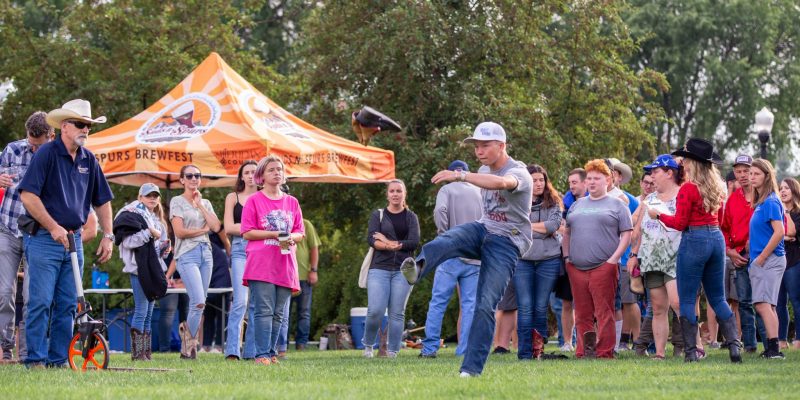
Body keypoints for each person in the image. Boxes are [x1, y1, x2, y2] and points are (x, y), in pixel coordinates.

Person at [400, 122, 533, 377]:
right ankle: (418, 269)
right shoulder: (482, 168)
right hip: (483, 229)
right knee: (449, 238)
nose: (478, 151)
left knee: (484, 305)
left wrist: (460, 175)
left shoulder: (520, 172)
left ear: (502, 146)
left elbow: (502, 183)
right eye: (476, 146)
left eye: (484, 145)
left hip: (507, 242)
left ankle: (470, 370)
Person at [19, 99, 115, 368]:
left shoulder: (88, 159)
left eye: (89, 126)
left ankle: (58, 361)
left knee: (68, 306)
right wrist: (52, 226)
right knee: (40, 302)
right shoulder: (46, 154)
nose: (86, 130)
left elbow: (103, 201)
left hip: (74, 242)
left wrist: (108, 235)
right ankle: (35, 361)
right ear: (64, 126)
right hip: (43, 240)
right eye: (81, 124)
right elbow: (28, 196)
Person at [646, 138, 742, 363]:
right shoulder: (718, 187)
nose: (682, 162)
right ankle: (734, 347)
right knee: (718, 297)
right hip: (716, 238)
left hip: (694, 239)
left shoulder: (688, 188)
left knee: (687, 299)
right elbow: (718, 219)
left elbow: (679, 223)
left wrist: (658, 215)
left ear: (693, 162)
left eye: (685, 158)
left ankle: (691, 352)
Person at [563, 159, 632, 359]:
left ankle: (604, 351)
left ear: (608, 180)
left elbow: (627, 234)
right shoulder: (577, 205)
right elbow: (567, 233)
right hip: (576, 267)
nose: (592, 182)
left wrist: (613, 260)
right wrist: (567, 258)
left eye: (597, 178)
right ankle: (584, 350)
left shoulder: (618, 205)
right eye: (589, 178)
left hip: (604, 266)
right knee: (582, 313)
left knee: (604, 311)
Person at [0, 111, 54, 361]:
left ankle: (29, 352)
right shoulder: (12, 150)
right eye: (30, 141)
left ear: (50, 135)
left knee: (34, 296)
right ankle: (5, 347)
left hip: (38, 234)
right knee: (3, 293)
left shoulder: (56, 156)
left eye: (37, 143)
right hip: (7, 228)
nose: (32, 146)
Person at [241, 156, 304, 366]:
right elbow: (247, 232)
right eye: (271, 170)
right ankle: (261, 355)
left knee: (279, 313)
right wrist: (276, 234)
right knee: (264, 310)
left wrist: (288, 237)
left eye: (279, 169)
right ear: (262, 176)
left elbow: (299, 233)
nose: (277, 173)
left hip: (285, 262)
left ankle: (271, 352)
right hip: (261, 263)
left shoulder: (292, 202)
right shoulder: (254, 200)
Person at [419, 160, 481, 358]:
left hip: (450, 252)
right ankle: (464, 351)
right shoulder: (479, 190)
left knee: (438, 302)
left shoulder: (446, 190)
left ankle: (429, 349)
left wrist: (444, 234)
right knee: (470, 305)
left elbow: (440, 211)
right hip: (475, 255)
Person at [627, 155, 683, 359]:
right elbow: (638, 232)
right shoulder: (649, 199)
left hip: (676, 259)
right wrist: (634, 255)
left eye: (655, 172)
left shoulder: (682, 195)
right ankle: (660, 353)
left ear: (669, 173)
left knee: (678, 304)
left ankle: (694, 347)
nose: (651, 177)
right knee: (658, 308)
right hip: (651, 261)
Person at [363, 179, 420, 358]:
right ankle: (368, 346)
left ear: (404, 194)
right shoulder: (377, 215)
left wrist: (386, 241)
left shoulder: (411, 217)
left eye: (399, 191)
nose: (395, 194)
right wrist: (389, 246)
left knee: (397, 312)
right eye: (392, 191)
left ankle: (393, 352)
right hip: (379, 268)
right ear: (387, 194)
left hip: (403, 270)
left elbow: (414, 242)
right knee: (375, 310)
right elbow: (372, 239)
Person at [170, 164, 221, 359]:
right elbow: (179, 232)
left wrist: (199, 205)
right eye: (189, 175)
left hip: (206, 254)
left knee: (200, 302)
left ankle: (187, 349)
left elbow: (216, 226)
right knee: (198, 301)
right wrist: (202, 230)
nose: (193, 179)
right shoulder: (177, 201)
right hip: (187, 254)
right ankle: (189, 343)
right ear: (182, 179)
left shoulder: (205, 203)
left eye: (197, 175)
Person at [114, 183, 169, 361]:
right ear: (140, 197)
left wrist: (163, 248)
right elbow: (128, 242)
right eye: (148, 195)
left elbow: (154, 246)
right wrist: (148, 233)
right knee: (141, 310)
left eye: (155, 195)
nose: (152, 198)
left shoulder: (155, 219)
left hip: (152, 269)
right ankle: (137, 354)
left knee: (149, 313)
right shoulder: (131, 217)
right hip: (138, 269)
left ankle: (145, 353)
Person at [514, 164, 562, 359]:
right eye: (534, 180)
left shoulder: (554, 202)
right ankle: (524, 353)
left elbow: (553, 225)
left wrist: (528, 227)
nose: (539, 183)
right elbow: (514, 227)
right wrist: (541, 230)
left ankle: (538, 351)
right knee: (525, 306)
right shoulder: (516, 202)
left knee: (541, 306)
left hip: (548, 260)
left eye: (541, 179)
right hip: (522, 259)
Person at [721, 154, 767, 353]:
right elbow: (723, 229)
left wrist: (757, 243)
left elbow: (776, 227)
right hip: (739, 257)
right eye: (738, 171)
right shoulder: (732, 200)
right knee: (745, 302)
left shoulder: (764, 198)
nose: (742, 175)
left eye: (746, 171)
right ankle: (750, 345)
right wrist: (729, 251)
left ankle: (770, 343)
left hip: (762, 257)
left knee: (763, 301)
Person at [747, 159, 787, 359]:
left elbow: (779, 232)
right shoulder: (762, 202)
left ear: (766, 176)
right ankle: (773, 347)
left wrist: (761, 257)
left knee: (763, 304)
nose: (751, 177)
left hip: (769, 259)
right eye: (751, 173)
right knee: (767, 305)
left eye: (756, 174)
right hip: (763, 259)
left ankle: (774, 349)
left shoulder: (771, 201)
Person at [223, 160, 258, 360]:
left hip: (260, 251)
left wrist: (245, 228)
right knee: (240, 301)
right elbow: (228, 227)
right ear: (242, 176)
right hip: (239, 250)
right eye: (247, 172)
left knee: (255, 302)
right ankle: (232, 351)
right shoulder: (232, 197)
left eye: (254, 172)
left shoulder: (263, 197)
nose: (251, 175)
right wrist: (253, 230)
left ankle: (251, 352)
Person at [608, 158, 641, 352]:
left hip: (624, 256)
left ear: (618, 176)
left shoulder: (627, 198)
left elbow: (635, 227)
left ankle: (637, 340)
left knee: (629, 301)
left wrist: (633, 254)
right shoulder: (593, 195)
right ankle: (617, 340)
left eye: (613, 172)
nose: (611, 175)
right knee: (613, 303)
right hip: (606, 256)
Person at [276, 218, 321, 356]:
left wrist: (313, 270)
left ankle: (302, 344)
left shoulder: (306, 224)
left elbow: (314, 248)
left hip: (303, 277)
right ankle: (283, 345)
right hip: (285, 276)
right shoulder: (279, 223)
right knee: (283, 313)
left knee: (304, 312)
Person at [554, 168, 587, 352]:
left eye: (574, 182)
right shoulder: (566, 204)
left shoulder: (595, 201)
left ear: (584, 183)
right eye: (570, 183)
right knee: (567, 302)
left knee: (589, 303)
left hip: (590, 257)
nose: (571, 186)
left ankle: (590, 341)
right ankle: (568, 342)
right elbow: (561, 228)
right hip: (569, 258)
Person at [778, 177, 800, 350]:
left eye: (786, 188)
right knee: (778, 303)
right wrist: (785, 237)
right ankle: (781, 339)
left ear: (794, 190)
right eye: (780, 188)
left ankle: (799, 339)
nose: (783, 191)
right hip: (778, 261)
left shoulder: (797, 213)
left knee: (796, 300)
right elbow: (780, 234)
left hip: (794, 261)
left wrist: (785, 212)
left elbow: (793, 231)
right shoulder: (775, 211)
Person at [201, 229, 231, 353]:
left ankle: (218, 345)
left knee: (221, 316)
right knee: (208, 315)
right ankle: (206, 345)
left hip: (220, 286)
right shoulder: (208, 247)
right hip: (211, 286)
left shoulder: (207, 248)